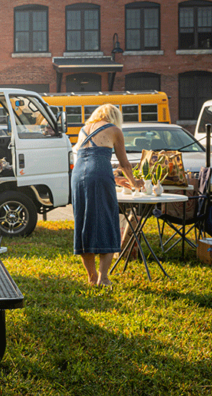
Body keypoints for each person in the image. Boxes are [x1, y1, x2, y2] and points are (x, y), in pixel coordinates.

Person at [71, 104, 142, 286]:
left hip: (78, 176)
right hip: (98, 176)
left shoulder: (83, 129)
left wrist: (113, 178)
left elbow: (89, 159)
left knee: (84, 222)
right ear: (115, 117)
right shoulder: (115, 130)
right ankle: (103, 278)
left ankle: (91, 277)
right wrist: (135, 184)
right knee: (107, 222)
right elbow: (124, 164)